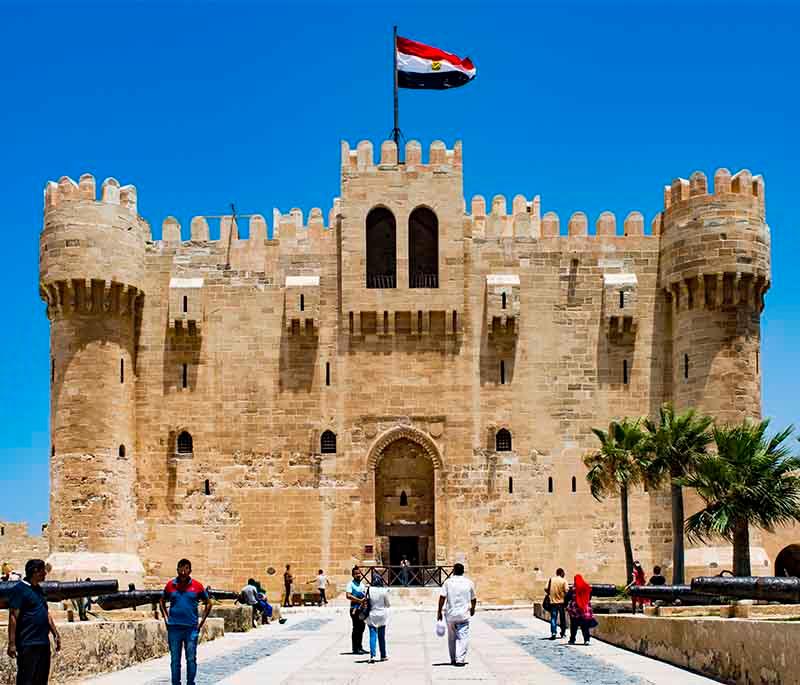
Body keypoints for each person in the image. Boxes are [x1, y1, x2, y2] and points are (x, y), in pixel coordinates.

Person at [6, 558, 61, 685]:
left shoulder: (39, 590)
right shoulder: (19, 590)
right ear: (36, 571)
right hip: (28, 643)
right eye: (43, 571)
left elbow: (45, 613)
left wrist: (55, 633)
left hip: (43, 642)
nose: (45, 574)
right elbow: (13, 616)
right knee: (26, 680)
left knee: (41, 680)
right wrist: (12, 643)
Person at [159, 559, 212, 685]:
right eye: (181, 569)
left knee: (191, 659)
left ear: (190, 570)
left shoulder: (197, 586)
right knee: (175, 660)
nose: (183, 572)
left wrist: (201, 623)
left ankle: (190, 683)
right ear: (177, 570)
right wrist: (166, 619)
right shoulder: (170, 585)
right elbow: (161, 601)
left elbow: (208, 603)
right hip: (174, 628)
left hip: (191, 628)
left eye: (186, 569)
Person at [437, 562, 476, 667]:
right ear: (463, 571)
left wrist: (439, 611)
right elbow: (473, 598)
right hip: (463, 614)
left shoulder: (448, 582)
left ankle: (453, 659)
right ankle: (460, 659)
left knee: (451, 637)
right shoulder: (469, 582)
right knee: (463, 637)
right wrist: (473, 609)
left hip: (451, 614)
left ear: (453, 571)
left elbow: (442, 597)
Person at [566, 574, 598, 645]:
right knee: (585, 625)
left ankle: (572, 640)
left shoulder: (573, 589)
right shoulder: (586, 587)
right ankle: (586, 640)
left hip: (575, 610)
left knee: (574, 626)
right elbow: (589, 597)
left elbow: (567, 597)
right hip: (584, 610)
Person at [365, 574, 390, 663]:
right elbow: (387, 604)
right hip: (382, 615)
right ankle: (383, 655)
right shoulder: (384, 591)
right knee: (381, 636)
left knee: (372, 635)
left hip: (372, 614)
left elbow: (366, 601)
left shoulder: (368, 589)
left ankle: (372, 655)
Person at [345, 566, 368, 655]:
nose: (358, 575)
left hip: (362, 609)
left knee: (362, 627)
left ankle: (360, 647)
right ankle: (355, 648)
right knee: (356, 628)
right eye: (356, 573)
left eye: (359, 573)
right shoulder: (350, 584)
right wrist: (359, 600)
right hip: (354, 609)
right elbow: (348, 596)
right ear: (353, 575)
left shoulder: (362, 584)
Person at [545, 567, 568, 639]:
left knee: (553, 618)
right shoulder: (564, 581)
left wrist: (550, 593)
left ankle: (553, 632)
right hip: (561, 602)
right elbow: (567, 590)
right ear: (562, 573)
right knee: (562, 619)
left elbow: (545, 588)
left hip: (553, 602)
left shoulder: (551, 580)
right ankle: (563, 633)